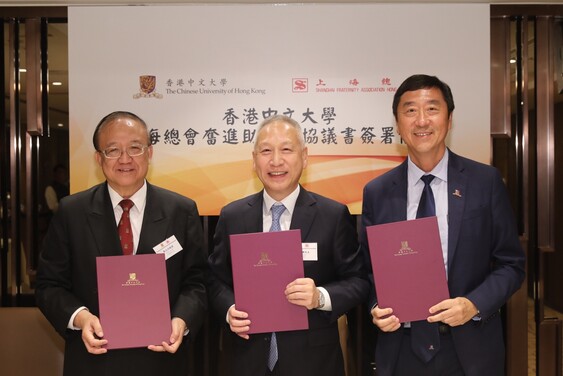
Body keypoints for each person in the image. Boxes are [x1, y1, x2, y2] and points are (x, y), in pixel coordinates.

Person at [360, 74, 526, 376]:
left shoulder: (484, 182)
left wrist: (474, 304)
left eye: (432, 109)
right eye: (410, 110)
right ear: (397, 124)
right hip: (401, 350)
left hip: (470, 349)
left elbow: (512, 264)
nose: (421, 121)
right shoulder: (377, 192)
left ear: (449, 120)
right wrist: (375, 306)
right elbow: (369, 270)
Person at [35, 111, 207, 376]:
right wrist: (81, 318)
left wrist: (181, 319)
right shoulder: (72, 212)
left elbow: (196, 281)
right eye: (113, 150)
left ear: (149, 152)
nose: (125, 159)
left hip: (163, 360)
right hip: (94, 361)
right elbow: (49, 285)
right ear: (98, 158)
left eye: (135, 148)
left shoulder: (181, 211)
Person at [207, 114, 369, 376]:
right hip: (247, 361)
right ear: (254, 159)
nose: (276, 161)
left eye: (286, 149)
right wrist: (229, 310)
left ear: (304, 157)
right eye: (266, 151)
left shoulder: (333, 215)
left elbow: (358, 280)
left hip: (314, 363)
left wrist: (320, 297)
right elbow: (215, 280)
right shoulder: (232, 216)